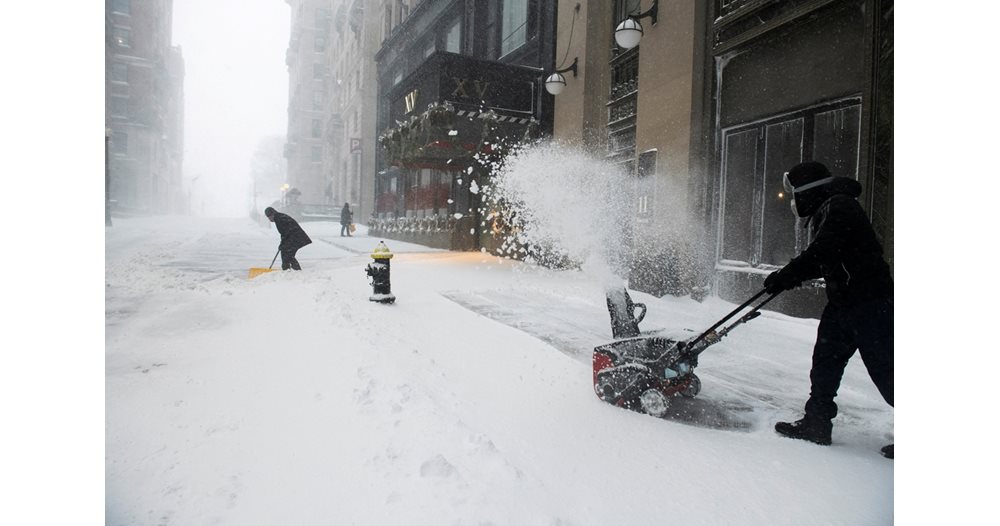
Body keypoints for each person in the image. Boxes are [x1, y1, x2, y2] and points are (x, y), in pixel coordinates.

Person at [763, 161, 894, 459]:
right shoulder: (828, 208)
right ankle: (817, 424)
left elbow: (823, 251)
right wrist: (790, 276)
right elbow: (826, 258)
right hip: (844, 303)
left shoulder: (840, 206)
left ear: (809, 191)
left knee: (888, 372)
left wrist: (787, 275)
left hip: (871, 305)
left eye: (795, 193)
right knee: (825, 364)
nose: (794, 201)